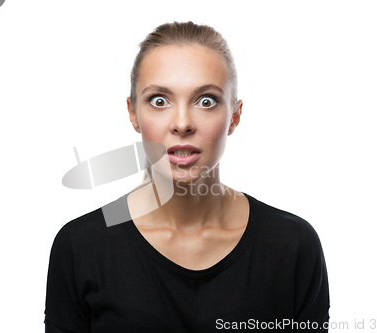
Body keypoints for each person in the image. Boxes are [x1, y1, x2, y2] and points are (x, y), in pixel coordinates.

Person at [44, 21, 330, 332]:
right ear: (133, 113)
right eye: (159, 101)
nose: (182, 123)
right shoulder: (80, 247)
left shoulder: (292, 247)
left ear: (234, 115)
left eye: (206, 101)